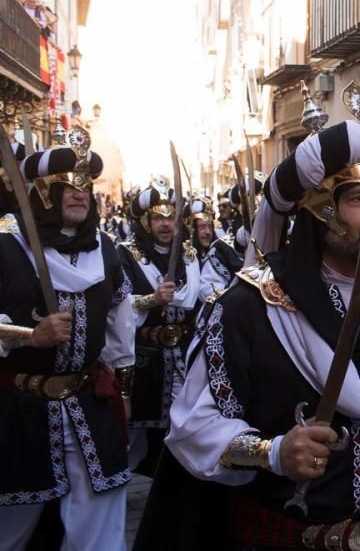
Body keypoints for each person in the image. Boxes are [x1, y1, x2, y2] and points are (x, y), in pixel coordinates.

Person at [168, 116, 360, 550]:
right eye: (359, 198)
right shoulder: (250, 307)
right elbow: (192, 427)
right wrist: (273, 452)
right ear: (321, 212)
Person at [0, 126, 135, 550]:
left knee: (102, 511)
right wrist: (29, 336)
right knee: (11, 525)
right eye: (66, 186)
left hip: (86, 408)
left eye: (85, 186)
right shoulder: (7, 246)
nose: (79, 194)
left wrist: (124, 389)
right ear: (41, 192)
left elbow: (119, 321)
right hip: (18, 411)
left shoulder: (105, 250)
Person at [117, 177, 200, 475]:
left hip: (182, 354)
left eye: (171, 218)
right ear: (144, 221)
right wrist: (152, 299)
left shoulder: (189, 254)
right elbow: (118, 305)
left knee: (183, 426)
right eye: (157, 218)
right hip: (145, 356)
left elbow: (197, 300)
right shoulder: (126, 253)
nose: (166, 225)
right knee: (136, 433)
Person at [184, 195, 216, 265]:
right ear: (191, 229)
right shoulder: (182, 259)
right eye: (202, 227)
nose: (208, 232)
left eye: (210, 227)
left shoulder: (219, 255)